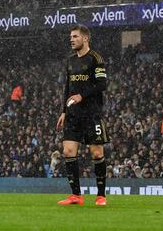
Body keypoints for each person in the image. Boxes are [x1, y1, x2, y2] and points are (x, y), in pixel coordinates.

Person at [57, 24, 109, 206]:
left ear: (85, 38)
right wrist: (64, 110)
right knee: (68, 151)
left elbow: (102, 84)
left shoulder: (95, 58)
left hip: (91, 113)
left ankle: (101, 195)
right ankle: (76, 196)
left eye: (75, 36)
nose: (71, 39)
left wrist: (82, 95)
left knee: (96, 153)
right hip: (73, 114)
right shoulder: (70, 61)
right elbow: (67, 88)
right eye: (71, 36)